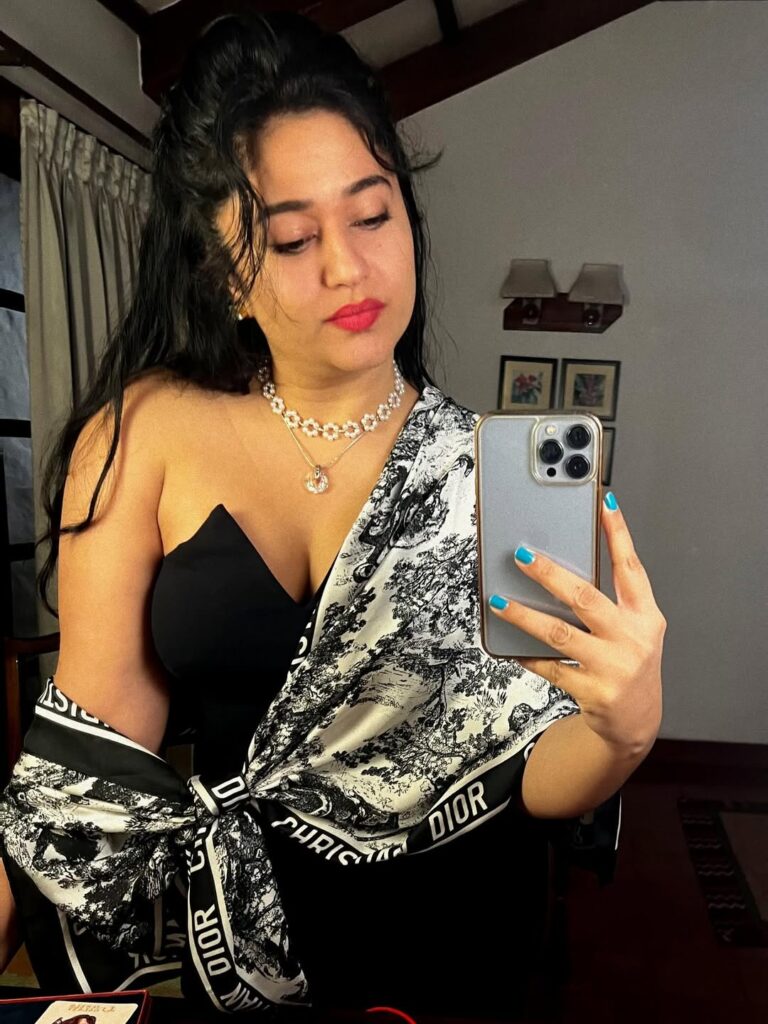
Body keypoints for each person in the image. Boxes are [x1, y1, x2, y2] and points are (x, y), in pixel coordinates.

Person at [0, 12, 666, 1019]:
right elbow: (89, 766)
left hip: (455, 944)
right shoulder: (147, 433)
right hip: (241, 947)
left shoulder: (482, 470)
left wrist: (625, 728)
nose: (348, 269)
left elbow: (526, 774)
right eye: (294, 238)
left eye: (373, 216)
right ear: (223, 270)